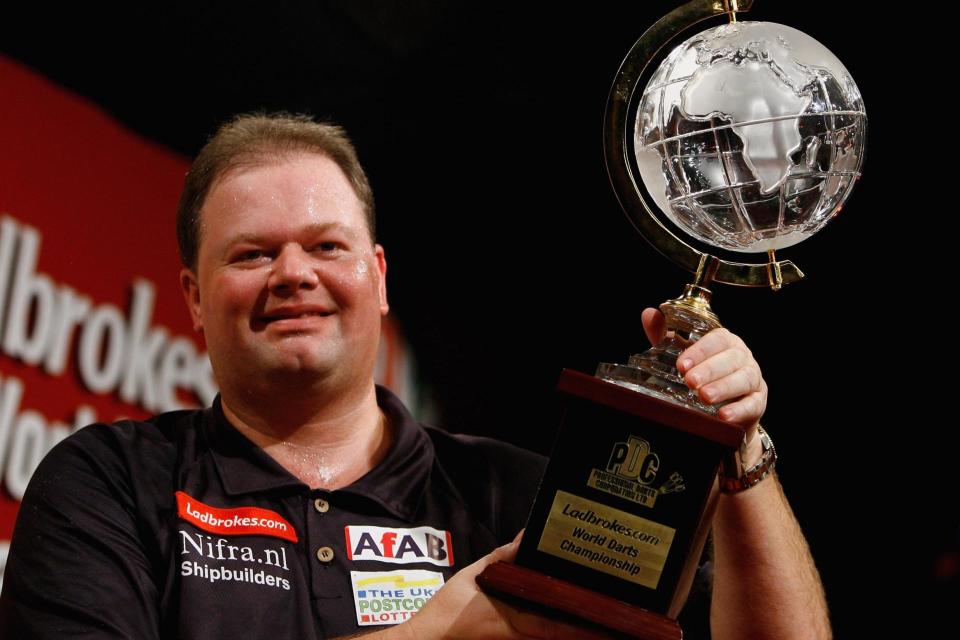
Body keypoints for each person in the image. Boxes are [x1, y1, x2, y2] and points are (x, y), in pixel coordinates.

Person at [0, 114, 830, 639]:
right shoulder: (108, 484)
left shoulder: (515, 499)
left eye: (326, 246)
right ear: (191, 297)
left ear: (381, 275)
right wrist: (444, 631)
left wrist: (738, 447)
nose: (293, 273)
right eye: (252, 254)